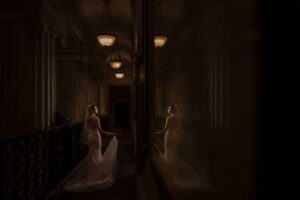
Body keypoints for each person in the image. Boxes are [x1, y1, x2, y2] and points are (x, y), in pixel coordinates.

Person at [63, 105, 118, 192]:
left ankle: (91, 173)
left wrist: (89, 134)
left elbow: (87, 130)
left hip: (90, 137)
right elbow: (101, 131)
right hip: (96, 137)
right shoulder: (96, 119)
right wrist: (110, 134)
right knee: (96, 153)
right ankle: (96, 174)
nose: (97, 109)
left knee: (91, 154)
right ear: (93, 110)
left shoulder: (88, 119)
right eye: (96, 108)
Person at [155, 105, 206, 189]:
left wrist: (156, 133)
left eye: (168, 108)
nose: (167, 109)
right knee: (173, 153)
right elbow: (178, 129)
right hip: (174, 136)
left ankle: (171, 172)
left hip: (168, 136)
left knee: (168, 152)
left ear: (170, 110)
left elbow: (164, 130)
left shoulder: (168, 118)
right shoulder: (177, 118)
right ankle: (175, 171)